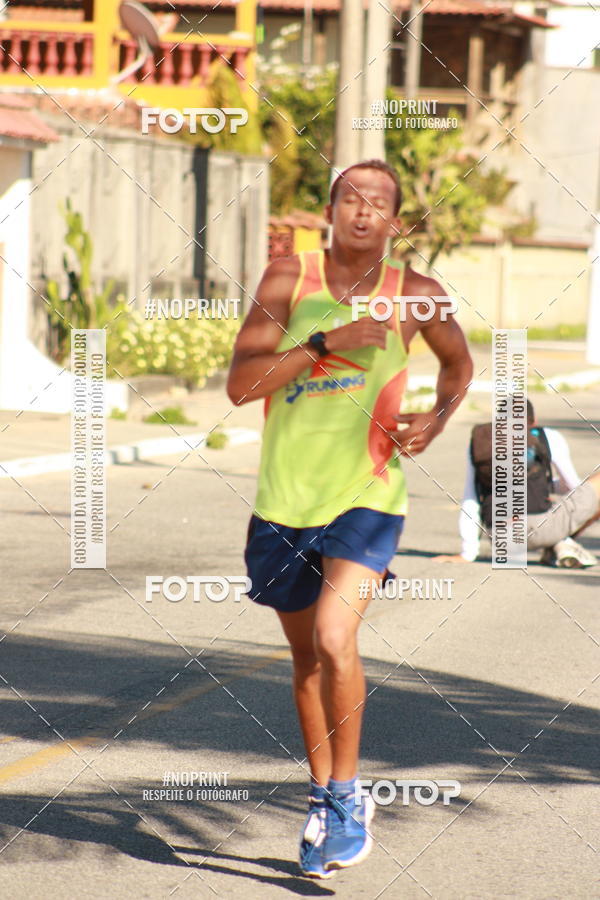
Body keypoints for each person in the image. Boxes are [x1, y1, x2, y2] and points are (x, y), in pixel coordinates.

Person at [227, 159, 473, 878]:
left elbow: (458, 367)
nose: (365, 211)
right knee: (307, 659)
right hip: (283, 500)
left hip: (368, 493)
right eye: (351, 199)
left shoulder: (417, 294)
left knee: (336, 637)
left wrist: (437, 417)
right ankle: (321, 794)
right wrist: (325, 344)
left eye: (380, 202)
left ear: (396, 220)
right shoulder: (287, 278)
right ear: (330, 210)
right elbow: (241, 385)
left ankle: (344, 796)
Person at [435, 399, 600, 567]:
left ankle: (559, 545)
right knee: (595, 489)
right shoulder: (548, 436)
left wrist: (467, 553)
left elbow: (471, 497)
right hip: (540, 529)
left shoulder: (480, 443)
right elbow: (573, 487)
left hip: (502, 538)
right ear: (533, 422)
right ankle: (561, 543)